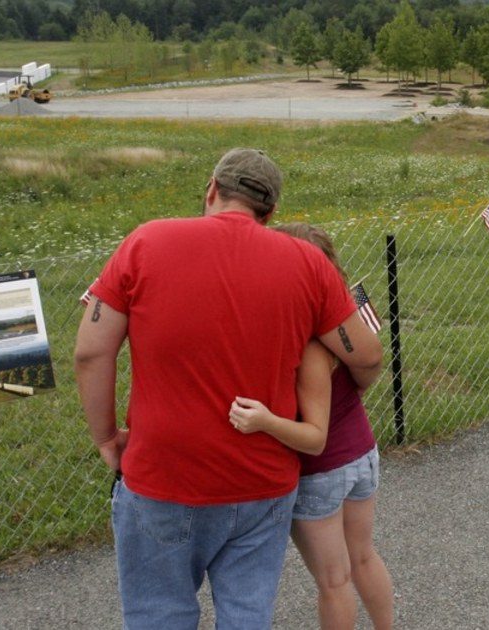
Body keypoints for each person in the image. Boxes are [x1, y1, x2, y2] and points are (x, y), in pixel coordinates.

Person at [73, 148, 383, 629]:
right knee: (246, 617)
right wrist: (349, 394)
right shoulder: (307, 262)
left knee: (160, 615)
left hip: (163, 476)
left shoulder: (146, 242)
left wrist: (105, 438)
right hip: (262, 484)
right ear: (270, 212)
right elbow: (366, 354)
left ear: (212, 189)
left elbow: (91, 352)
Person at [229, 222, 394, 630]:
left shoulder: (298, 336)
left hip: (319, 471)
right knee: (363, 557)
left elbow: (313, 437)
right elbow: (368, 363)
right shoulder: (339, 326)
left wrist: (265, 422)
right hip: (361, 453)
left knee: (333, 581)